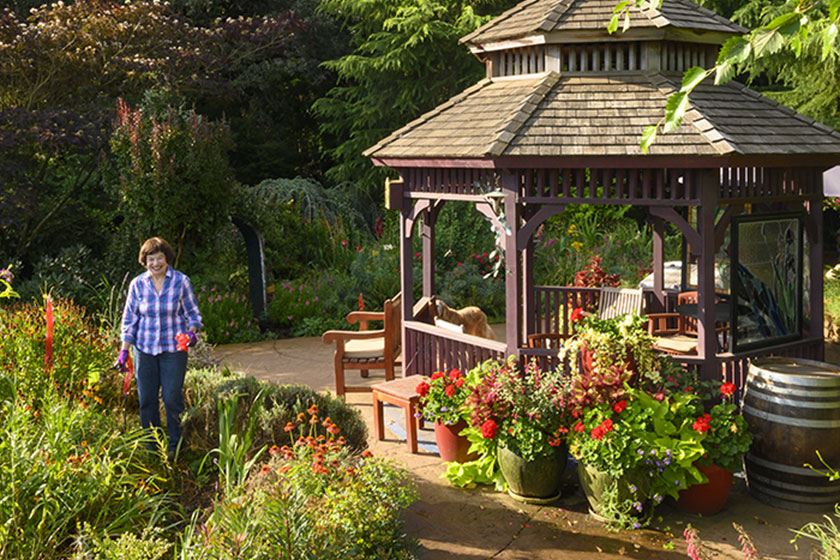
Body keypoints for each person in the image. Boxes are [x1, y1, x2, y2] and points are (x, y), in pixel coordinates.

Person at [116, 237, 202, 459]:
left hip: (173, 350)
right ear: (144, 261)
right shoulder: (137, 284)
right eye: (150, 259)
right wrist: (124, 351)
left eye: (159, 258)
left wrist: (191, 333)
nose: (155, 263)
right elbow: (129, 321)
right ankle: (152, 447)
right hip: (144, 350)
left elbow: (193, 314)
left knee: (172, 397)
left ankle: (176, 445)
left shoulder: (181, 282)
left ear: (167, 258)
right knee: (147, 400)